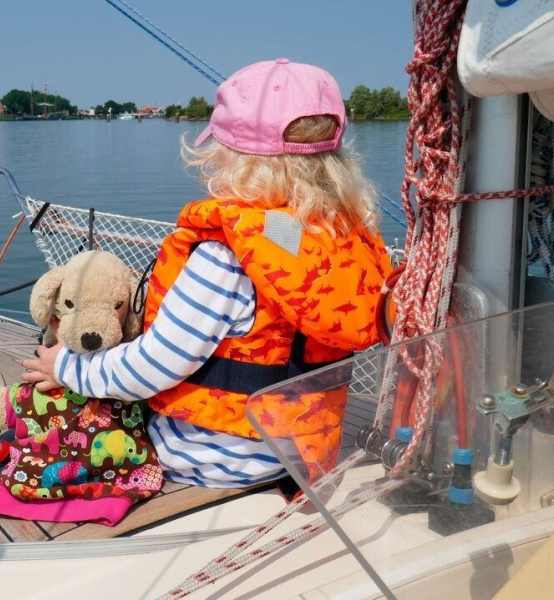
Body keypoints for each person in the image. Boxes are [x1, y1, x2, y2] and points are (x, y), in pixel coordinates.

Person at [23, 59, 392, 488]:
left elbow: (153, 367)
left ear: (231, 157)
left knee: (40, 420)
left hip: (208, 459)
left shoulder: (225, 258)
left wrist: (66, 367)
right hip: (297, 453)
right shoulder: (337, 237)